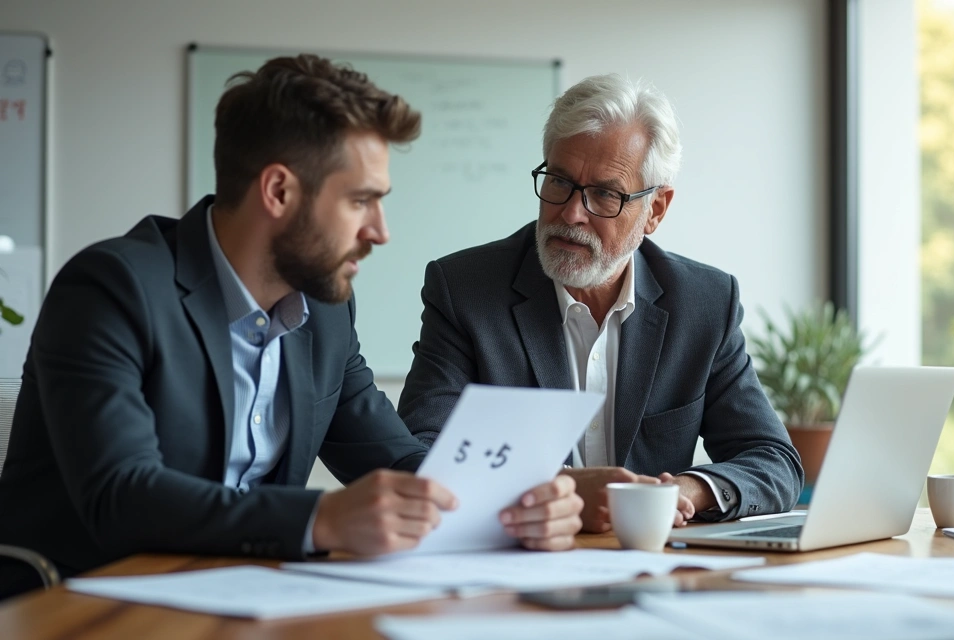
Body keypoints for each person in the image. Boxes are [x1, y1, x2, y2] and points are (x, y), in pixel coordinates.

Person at [0, 54, 581, 601]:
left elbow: (393, 460)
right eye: (361, 201)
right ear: (278, 191)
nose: (380, 232)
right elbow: (121, 496)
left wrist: (512, 505)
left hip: (244, 599)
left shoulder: (324, 312)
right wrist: (322, 517)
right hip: (81, 602)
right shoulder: (112, 289)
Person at [397, 74, 803, 533]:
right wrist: (562, 491)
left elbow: (774, 461)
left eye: (605, 194)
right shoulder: (466, 291)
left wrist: (685, 492)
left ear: (656, 210)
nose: (571, 213)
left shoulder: (704, 303)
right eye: (559, 181)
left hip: (652, 569)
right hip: (517, 568)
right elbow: (418, 454)